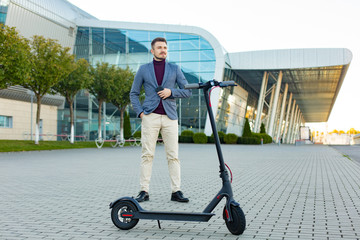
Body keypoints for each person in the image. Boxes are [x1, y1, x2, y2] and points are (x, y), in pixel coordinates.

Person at [130, 37, 192, 203]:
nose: (163, 50)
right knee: (147, 155)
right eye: (159, 48)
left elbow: (187, 91)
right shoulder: (143, 69)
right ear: (152, 51)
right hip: (150, 116)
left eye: (165, 47)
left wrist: (171, 92)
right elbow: (133, 93)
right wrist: (141, 113)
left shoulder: (175, 68)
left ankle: (176, 191)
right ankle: (144, 191)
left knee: (173, 156)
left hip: (170, 117)